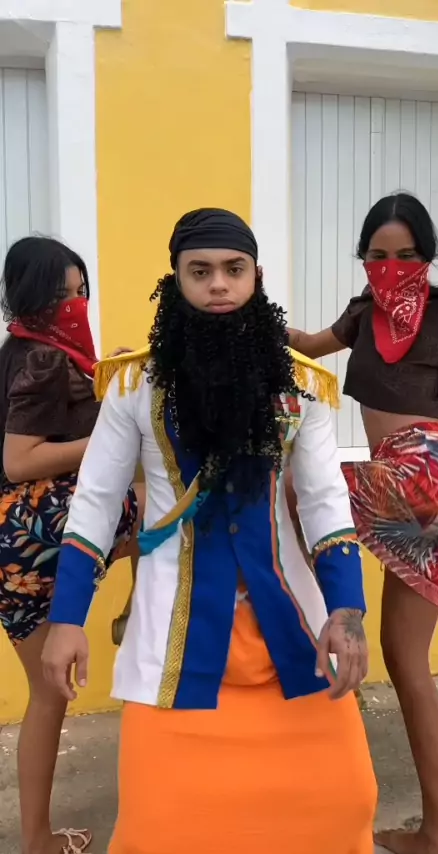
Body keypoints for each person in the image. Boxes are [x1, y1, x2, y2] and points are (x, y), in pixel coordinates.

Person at [41, 208, 377, 854]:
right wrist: (67, 619)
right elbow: (96, 504)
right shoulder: (135, 385)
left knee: (342, 803)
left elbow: (324, 502)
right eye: (200, 272)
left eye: (233, 269)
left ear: (257, 278)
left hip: (292, 639)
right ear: (176, 281)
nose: (218, 284)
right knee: (164, 825)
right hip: (175, 648)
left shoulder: (302, 386)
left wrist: (347, 609)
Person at [288, 192, 438, 854]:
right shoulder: (362, 313)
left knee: (292, 487)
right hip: (437, 492)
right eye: (377, 256)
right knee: (407, 660)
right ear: (364, 258)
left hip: (428, 474)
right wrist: (245, 314)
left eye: (406, 255)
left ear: (427, 256)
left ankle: (294, 628)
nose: (391, 267)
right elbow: (307, 345)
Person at [0, 236, 142, 854]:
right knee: (154, 501)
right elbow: (20, 459)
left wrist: (105, 380)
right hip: (35, 531)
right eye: (63, 295)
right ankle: (141, 608)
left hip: (12, 547)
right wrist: (112, 431)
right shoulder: (42, 359)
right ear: (33, 298)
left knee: (46, 695)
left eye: (81, 292)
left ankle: (36, 839)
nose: (76, 304)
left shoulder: (25, 351)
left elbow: (58, 417)